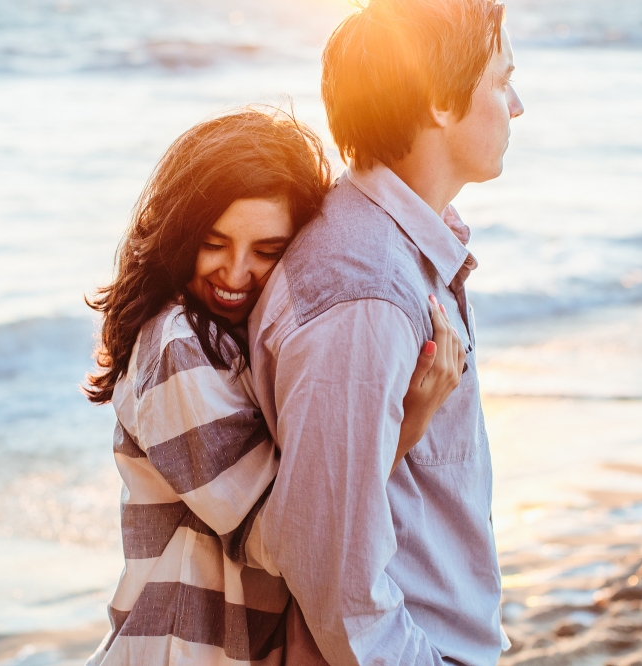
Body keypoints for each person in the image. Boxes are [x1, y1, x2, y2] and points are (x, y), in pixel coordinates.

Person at [82, 109, 466, 665]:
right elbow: (285, 539)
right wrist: (407, 425)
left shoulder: (232, 341)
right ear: (177, 230)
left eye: (266, 251)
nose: (236, 274)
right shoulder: (177, 348)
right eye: (214, 243)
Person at [247, 0, 524, 664]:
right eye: (500, 80)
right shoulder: (365, 290)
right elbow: (329, 566)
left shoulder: (409, 249)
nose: (516, 105)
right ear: (438, 100)